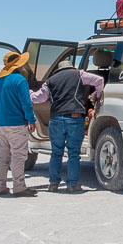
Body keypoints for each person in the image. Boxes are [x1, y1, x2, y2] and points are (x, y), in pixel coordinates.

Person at [31, 59, 105, 192]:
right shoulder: (79, 74)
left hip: (56, 120)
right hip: (75, 119)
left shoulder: (50, 81)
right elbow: (99, 80)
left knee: (56, 153)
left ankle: (53, 183)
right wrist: (98, 97)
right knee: (73, 153)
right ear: (71, 68)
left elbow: (39, 98)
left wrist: (29, 92)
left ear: (58, 70)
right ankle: (72, 184)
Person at [0, 50, 39, 197]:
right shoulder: (19, 80)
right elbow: (26, 103)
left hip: (2, 124)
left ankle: (0, 187)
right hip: (17, 124)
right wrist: (31, 120)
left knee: (3, 156)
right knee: (18, 156)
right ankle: (19, 187)